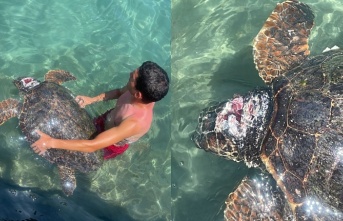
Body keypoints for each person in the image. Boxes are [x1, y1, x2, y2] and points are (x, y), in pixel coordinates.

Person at [31, 61, 169, 160]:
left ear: (138, 94)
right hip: (108, 119)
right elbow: (118, 92)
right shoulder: (140, 91)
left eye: (132, 78)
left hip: (110, 144)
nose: (130, 73)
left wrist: (50, 142)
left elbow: (93, 146)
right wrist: (92, 99)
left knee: (80, 157)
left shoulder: (135, 122)